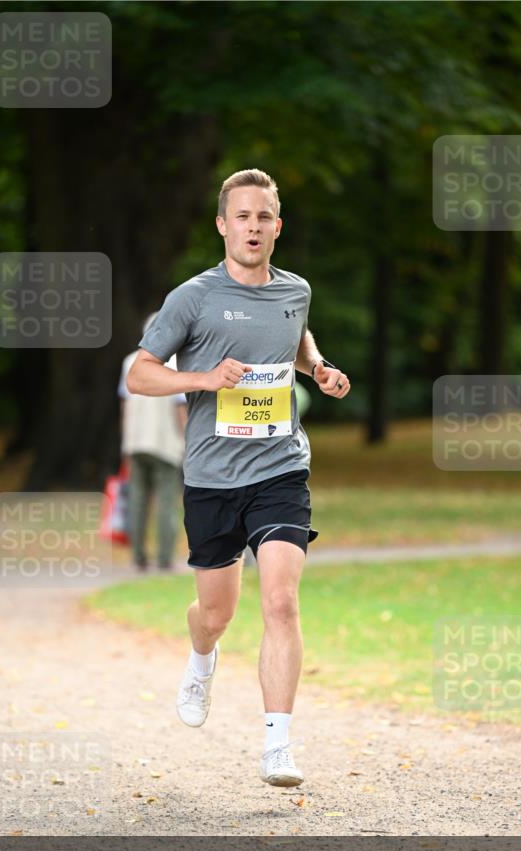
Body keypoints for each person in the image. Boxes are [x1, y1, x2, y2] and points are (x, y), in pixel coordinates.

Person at [127, 168, 350, 786]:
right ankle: (202, 658)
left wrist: (320, 370)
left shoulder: (295, 290)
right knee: (215, 611)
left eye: (264, 217)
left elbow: (297, 339)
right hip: (211, 477)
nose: (253, 227)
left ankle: (277, 746)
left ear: (278, 227)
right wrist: (202, 379)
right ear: (223, 225)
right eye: (242, 217)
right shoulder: (192, 297)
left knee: (280, 601)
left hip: (280, 467)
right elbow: (140, 375)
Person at [119, 314, 188, 570]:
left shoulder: (129, 363)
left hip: (135, 442)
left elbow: (124, 406)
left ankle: (138, 556)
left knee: (137, 500)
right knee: (166, 501)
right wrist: (188, 441)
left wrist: (125, 441)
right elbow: (180, 408)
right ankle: (164, 558)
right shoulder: (174, 364)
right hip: (165, 442)